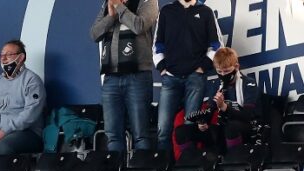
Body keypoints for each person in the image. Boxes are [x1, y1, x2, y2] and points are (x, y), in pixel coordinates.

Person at [152, 0, 223, 153]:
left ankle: (187, 169)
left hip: (195, 78)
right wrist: (162, 67)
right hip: (170, 78)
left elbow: (216, 45)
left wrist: (202, 67)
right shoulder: (166, 11)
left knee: (189, 128)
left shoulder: (205, 11)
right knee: (163, 129)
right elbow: (158, 45)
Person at [91, 0, 157, 153]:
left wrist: (119, 7)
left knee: (141, 134)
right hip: (110, 78)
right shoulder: (108, 4)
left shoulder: (148, 2)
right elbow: (94, 34)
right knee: (113, 135)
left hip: (138, 75)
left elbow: (139, 25)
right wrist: (111, 16)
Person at [173, 48, 264, 157]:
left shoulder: (249, 84)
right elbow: (210, 111)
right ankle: (192, 166)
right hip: (223, 127)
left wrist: (225, 107)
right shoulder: (217, 84)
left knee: (231, 128)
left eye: (226, 71)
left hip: (248, 127)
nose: (223, 74)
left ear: (236, 67)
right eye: (219, 71)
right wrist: (203, 122)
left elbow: (248, 116)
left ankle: (234, 164)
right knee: (182, 131)